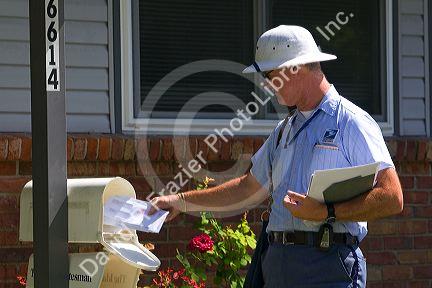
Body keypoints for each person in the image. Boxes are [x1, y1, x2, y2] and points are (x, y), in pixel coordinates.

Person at [149, 25, 403, 287]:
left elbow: (392, 197)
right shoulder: (284, 130)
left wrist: (326, 212)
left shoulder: (351, 122)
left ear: (296, 68)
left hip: (329, 266)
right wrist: (179, 201)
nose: (266, 85)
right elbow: (247, 189)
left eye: (270, 75)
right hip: (277, 266)